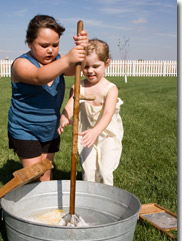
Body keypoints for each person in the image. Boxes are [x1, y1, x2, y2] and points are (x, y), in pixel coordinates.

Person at [8, 15, 88, 181]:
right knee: (34, 175)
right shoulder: (21, 64)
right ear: (29, 42)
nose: (50, 50)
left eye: (55, 45)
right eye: (44, 45)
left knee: (45, 174)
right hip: (25, 129)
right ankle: (27, 204)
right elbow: (39, 77)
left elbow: (78, 69)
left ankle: (46, 206)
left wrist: (83, 51)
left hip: (50, 129)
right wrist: (67, 59)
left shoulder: (59, 61)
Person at [58, 38, 123, 186]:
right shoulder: (78, 87)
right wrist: (64, 117)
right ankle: (90, 199)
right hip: (86, 134)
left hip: (107, 135)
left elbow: (107, 114)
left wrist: (96, 131)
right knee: (88, 171)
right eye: (86, 66)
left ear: (106, 64)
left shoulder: (110, 89)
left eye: (96, 66)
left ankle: (106, 199)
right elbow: (70, 104)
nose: (90, 71)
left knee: (104, 172)